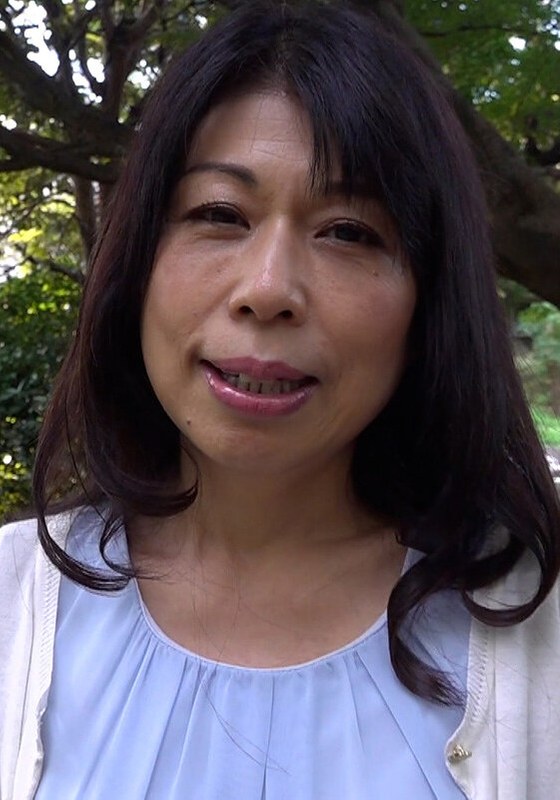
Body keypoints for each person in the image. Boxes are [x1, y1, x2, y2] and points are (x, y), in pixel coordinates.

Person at [1, 2, 559, 798]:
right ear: (139, 263)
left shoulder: (539, 631)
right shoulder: (14, 603)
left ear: (429, 300)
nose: (267, 290)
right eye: (219, 214)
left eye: (348, 231)